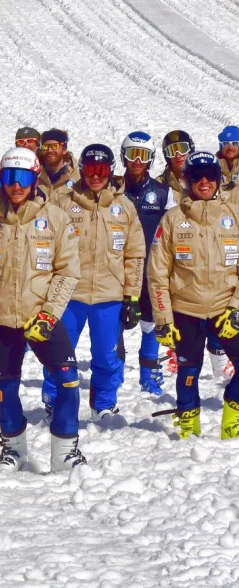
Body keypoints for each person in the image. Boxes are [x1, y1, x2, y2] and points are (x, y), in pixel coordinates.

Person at [0, 147, 85, 472]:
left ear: (34, 178)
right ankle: (13, 448)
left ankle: (65, 451)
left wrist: (50, 313)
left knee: (68, 380)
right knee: (6, 386)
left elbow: (67, 270)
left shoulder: (55, 218)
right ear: (1, 179)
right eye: (11, 178)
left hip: (42, 316)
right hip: (1, 319)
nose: (17, 186)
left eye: (24, 178)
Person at [40, 144, 145, 422]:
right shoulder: (63, 203)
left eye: (101, 170)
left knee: (106, 357)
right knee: (59, 354)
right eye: (90, 170)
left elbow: (135, 255)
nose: (95, 176)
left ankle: (104, 405)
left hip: (108, 297)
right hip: (69, 296)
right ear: (82, 170)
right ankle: (54, 399)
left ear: (110, 170)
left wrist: (132, 296)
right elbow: (45, 248)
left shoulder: (124, 207)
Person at [149, 152, 239, 439]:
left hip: (226, 308)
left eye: (210, 176)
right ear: (187, 181)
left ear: (218, 180)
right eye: (196, 176)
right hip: (186, 311)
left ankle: (232, 418)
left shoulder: (233, 215)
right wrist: (163, 318)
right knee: (189, 371)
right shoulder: (173, 219)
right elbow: (157, 272)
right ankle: (189, 426)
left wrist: (236, 308)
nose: (204, 182)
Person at [117, 132, 175, 396]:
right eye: (132, 155)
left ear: (151, 159)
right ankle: (114, 374)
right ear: (124, 157)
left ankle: (149, 373)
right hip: (119, 268)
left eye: (142, 156)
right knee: (114, 322)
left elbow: (172, 231)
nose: (137, 161)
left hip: (151, 268)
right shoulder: (114, 189)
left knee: (151, 321)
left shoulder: (164, 192)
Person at [36, 129, 78, 205]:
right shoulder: (35, 175)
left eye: (54, 146)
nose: (49, 150)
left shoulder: (77, 176)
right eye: (45, 146)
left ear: (64, 149)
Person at [158, 130, 193, 197]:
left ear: (190, 150)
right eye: (171, 151)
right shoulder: (159, 185)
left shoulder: (204, 180)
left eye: (183, 149)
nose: (178, 156)